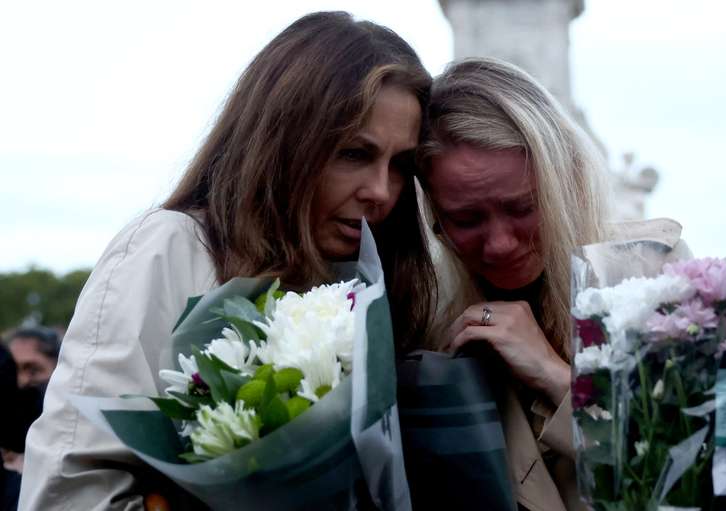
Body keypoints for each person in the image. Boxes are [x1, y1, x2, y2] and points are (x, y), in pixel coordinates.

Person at [20, 11, 436, 509]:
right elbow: (67, 494)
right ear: (282, 141)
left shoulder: (391, 280)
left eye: (401, 165)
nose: (381, 191)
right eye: (352, 153)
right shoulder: (169, 251)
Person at [417, 58, 687, 511]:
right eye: (466, 219)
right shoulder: (428, 319)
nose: (500, 244)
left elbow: (690, 472)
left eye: (523, 207)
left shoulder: (653, 276)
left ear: (567, 182)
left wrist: (554, 375)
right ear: (434, 216)